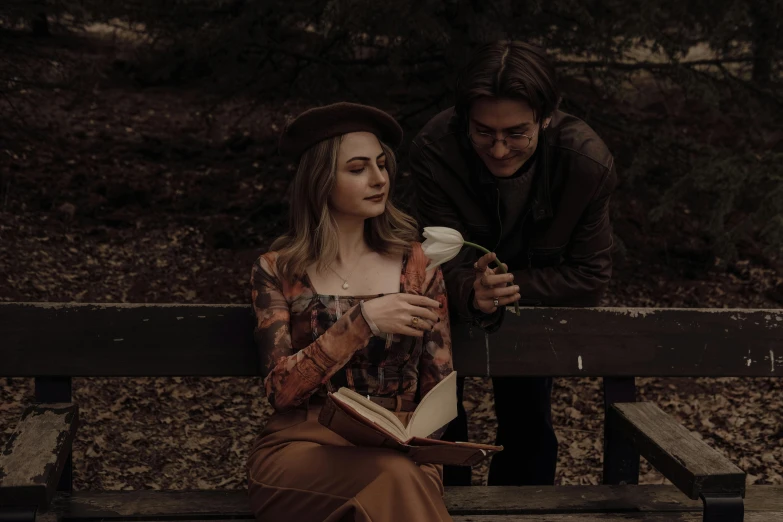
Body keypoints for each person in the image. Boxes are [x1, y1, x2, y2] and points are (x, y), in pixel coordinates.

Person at [410, 40, 617, 486]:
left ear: (546, 116)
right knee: (441, 415)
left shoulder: (585, 162)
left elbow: (590, 276)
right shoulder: (435, 148)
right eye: (483, 132)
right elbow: (426, 254)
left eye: (517, 133)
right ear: (465, 119)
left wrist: (505, 289)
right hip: (447, 306)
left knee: (528, 421)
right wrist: (470, 290)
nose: (500, 149)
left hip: (533, 303)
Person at [247, 102, 458, 522]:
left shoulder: (418, 266)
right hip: (302, 452)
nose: (379, 179)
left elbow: (441, 386)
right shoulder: (279, 269)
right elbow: (281, 391)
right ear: (320, 180)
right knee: (394, 481)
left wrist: (422, 446)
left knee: (396, 477)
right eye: (358, 169)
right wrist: (363, 322)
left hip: (402, 454)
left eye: (382, 165)